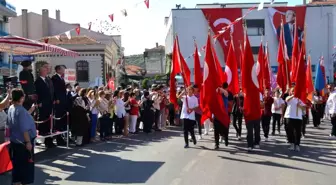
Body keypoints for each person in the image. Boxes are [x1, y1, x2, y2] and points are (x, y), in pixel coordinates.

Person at [7, 89, 37, 185]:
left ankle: (16, 182)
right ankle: (21, 182)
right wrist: (28, 142)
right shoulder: (21, 110)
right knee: (25, 165)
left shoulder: (11, 107)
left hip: (15, 140)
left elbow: (12, 122)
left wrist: (30, 111)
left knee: (17, 164)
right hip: (23, 141)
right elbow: (24, 128)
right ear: (21, 98)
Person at [34, 62, 54, 148]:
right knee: (43, 119)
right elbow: (37, 93)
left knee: (49, 120)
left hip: (49, 103)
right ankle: (42, 133)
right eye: (45, 70)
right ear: (41, 72)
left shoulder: (48, 80)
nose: (47, 71)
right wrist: (38, 102)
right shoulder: (38, 81)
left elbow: (51, 91)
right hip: (42, 104)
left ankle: (49, 140)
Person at [284, 87, 305, 151]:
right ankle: (292, 144)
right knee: (290, 131)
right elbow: (286, 100)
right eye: (292, 91)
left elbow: (304, 108)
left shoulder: (299, 99)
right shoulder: (289, 98)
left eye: (294, 91)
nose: (293, 92)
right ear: (290, 92)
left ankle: (297, 144)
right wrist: (293, 95)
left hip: (298, 117)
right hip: (289, 116)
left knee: (298, 132)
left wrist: (300, 106)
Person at [51, 65, 67, 146]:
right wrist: (56, 98)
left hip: (62, 101)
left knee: (61, 121)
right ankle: (58, 139)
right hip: (58, 102)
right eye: (62, 69)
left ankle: (61, 137)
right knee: (58, 121)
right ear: (58, 70)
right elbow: (54, 89)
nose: (64, 70)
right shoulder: (54, 78)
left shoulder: (61, 78)